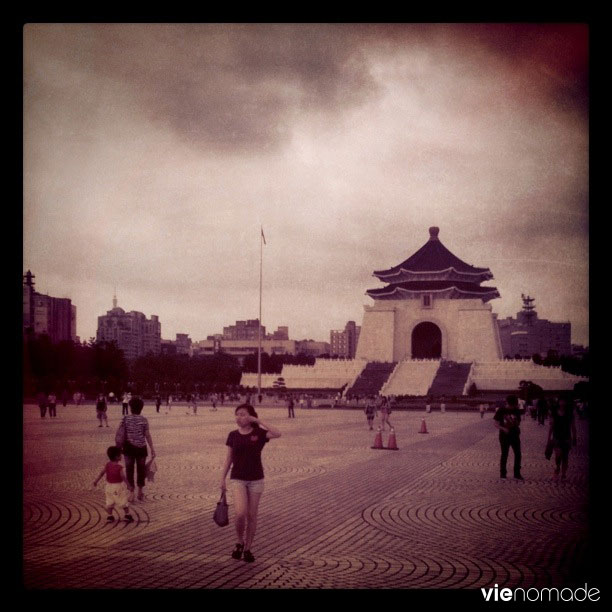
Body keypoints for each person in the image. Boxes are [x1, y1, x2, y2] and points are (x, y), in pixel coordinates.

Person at [220, 404, 281, 563]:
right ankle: (239, 541)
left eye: (242, 414)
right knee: (240, 513)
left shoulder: (259, 433)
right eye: (237, 414)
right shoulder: (233, 435)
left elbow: (278, 433)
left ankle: (248, 548)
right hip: (238, 478)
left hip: (256, 479)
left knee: (252, 516)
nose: (238, 417)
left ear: (250, 417)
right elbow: (229, 458)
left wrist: (258, 420)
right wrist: (222, 479)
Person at [119, 396, 156, 502]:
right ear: (141, 408)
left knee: (129, 470)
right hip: (141, 448)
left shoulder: (125, 419)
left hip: (128, 448)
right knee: (141, 470)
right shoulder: (144, 420)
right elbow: (147, 435)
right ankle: (140, 491)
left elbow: (121, 434)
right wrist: (152, 448)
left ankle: (131, 492)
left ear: (130, 407)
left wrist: (119, 447)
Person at [93, 446, 134, 523]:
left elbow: (102, 473)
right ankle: (127, 515)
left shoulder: (107, 465)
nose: (121, 456)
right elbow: (123, 477)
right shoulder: (119, 467)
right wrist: (128, 485)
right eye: (120, 455)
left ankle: (110, 516)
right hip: (118, 486)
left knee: (109, 501)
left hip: (108, 486)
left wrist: (96, 481)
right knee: (123, 499)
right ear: (116, 457)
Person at [494, 395, 523, 480]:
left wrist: (515, 422)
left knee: (518, 454)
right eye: (513, 405)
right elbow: (496, 423)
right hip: (504, 436)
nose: (513, 407)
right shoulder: (501, 410)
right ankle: (503, 473)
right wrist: (503, 428)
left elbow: (518, 422)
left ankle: (517, 473)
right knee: (504, 454)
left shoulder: (516, 410)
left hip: (515, 434)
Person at [548, 395, 577, 480]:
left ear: (566, 402)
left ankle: (563, 474)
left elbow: (573, 426)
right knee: (558, 454)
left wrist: (574, 437)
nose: (562, 403)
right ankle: (557, 467)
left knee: (565, 456)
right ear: (558, 402)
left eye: (564, 401)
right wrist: (549, 438)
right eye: (561, 401)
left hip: (566, 437)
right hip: (557, 436)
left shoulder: (570, 413)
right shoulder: (554, 413)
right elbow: (551, 426)